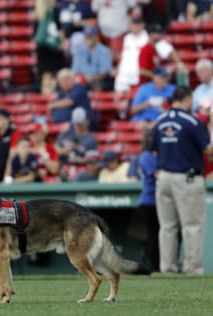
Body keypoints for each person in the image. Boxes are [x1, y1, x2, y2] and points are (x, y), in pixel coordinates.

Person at [151, 86, 213, 275]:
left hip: (164, 177)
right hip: (186, 178)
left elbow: (154, 150)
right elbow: (208, 151)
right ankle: (192, 268)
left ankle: (167, 268)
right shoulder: (192, 121)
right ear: (187, 99)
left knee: (167, 226)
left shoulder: (159, 120)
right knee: (192, 225)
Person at [137, 126, 159, 272]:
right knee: (154, 235)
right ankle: (153, 267)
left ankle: (155, 266)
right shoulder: (146, 156)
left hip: (156, 200)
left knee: (157, 235)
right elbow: (157, 175)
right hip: (150, 201)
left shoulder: (154, 155)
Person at [71, 25, 113, 91]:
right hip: (81, 80)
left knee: (99, 83)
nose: (88, 39)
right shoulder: (80, 51)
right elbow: (75, 71)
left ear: (96, 37)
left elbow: (105, 72)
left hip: (98, 80)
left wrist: (91, 78)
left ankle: (98, 100)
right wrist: (82, 78)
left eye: (90, 36)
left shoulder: (104, 51)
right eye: (86, 36)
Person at [114, 14, 149, 93]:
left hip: (137, 76)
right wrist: (118, 68)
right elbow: (123, 56)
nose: (135, 26)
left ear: (142, 25)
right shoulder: (127, 38)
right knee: (119, 101)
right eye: (133, 24)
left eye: (137, 24)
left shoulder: (147, 38)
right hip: (123, 76)